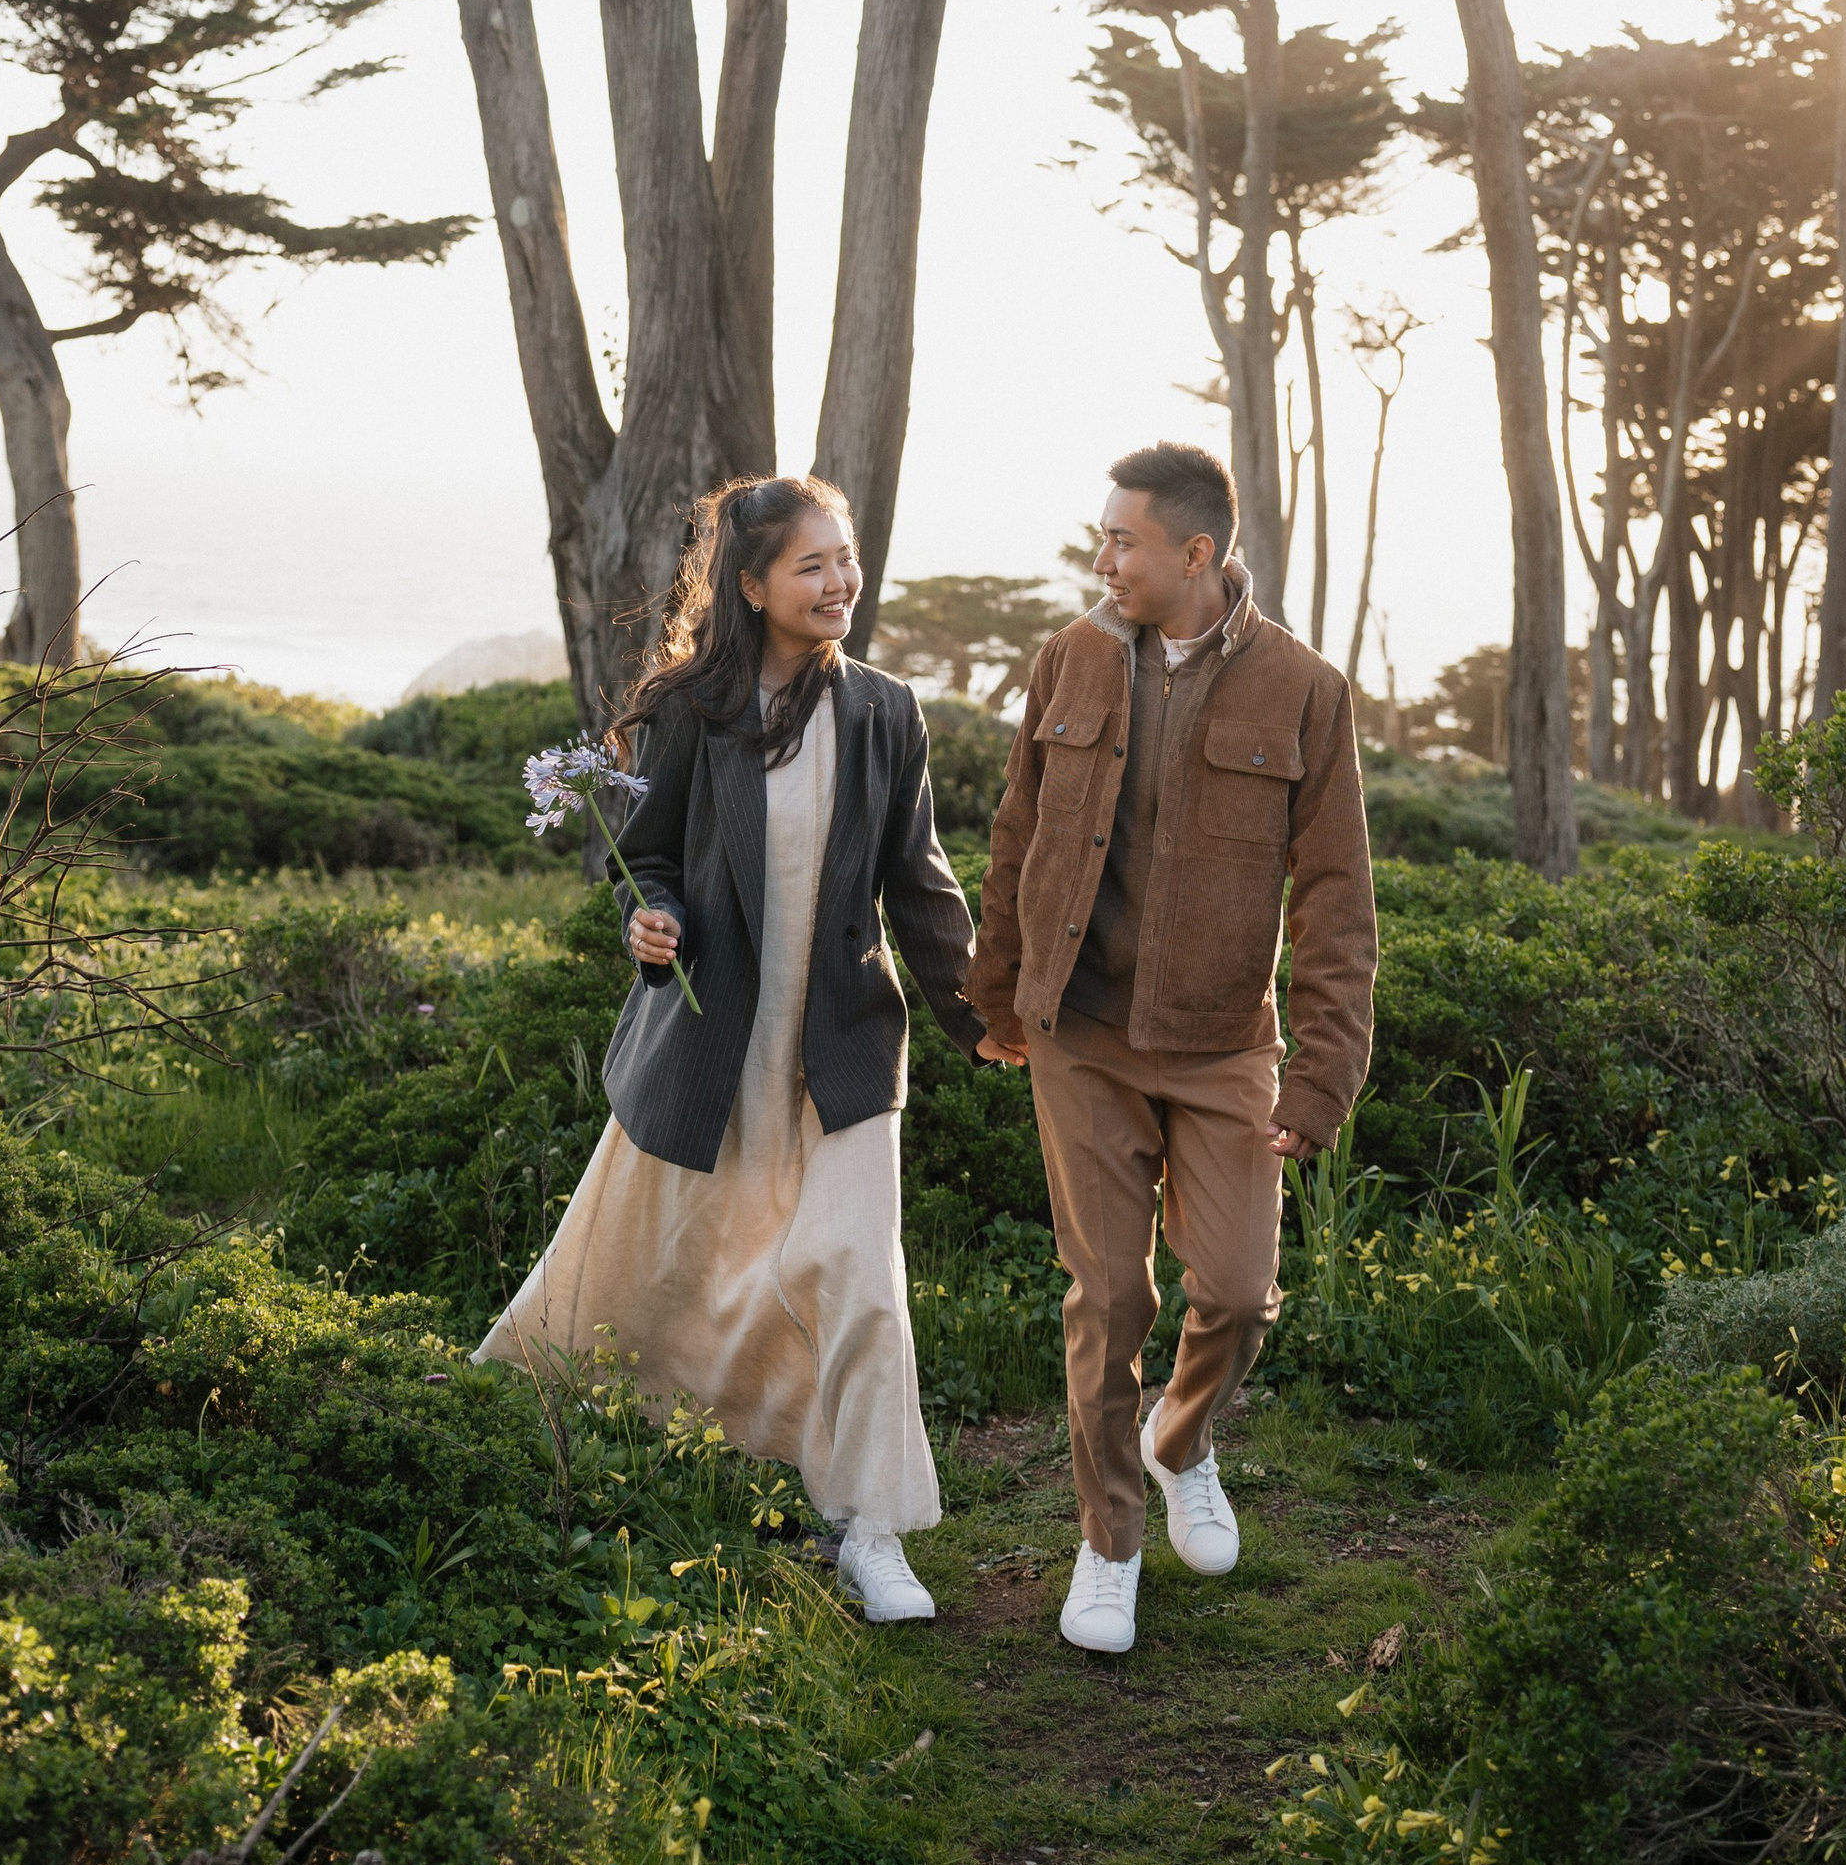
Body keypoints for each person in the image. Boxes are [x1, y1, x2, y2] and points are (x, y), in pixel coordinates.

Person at [478, 474, 983, 1624]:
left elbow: (921, 880)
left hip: (847, 1049)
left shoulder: (886, 711)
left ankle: (868, 1530)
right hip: (716, 1041)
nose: (840, 582)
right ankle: (595, 1431)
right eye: (812, 566)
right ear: (751, 586)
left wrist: (977, 1010)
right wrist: (649, 925)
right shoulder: (689, 713)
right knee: (662, 1264)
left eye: (845, 560)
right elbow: (641, 860)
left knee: (857, 1274)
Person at [968, 441, 1377, 1659]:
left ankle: (1181, 1440)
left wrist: (1321, 1072)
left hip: (1218, 1045)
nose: (1102, 561)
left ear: (1196, 555)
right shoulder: (1069, 657)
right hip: (1077, 1036)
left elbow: (1338, 898)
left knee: (1238, 1290)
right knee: (1105, 1296)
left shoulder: (1306, 690)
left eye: (1123, 542)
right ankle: (1109, 1547)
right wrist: (997, 994)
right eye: (1101, 538)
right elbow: (1017, 831)